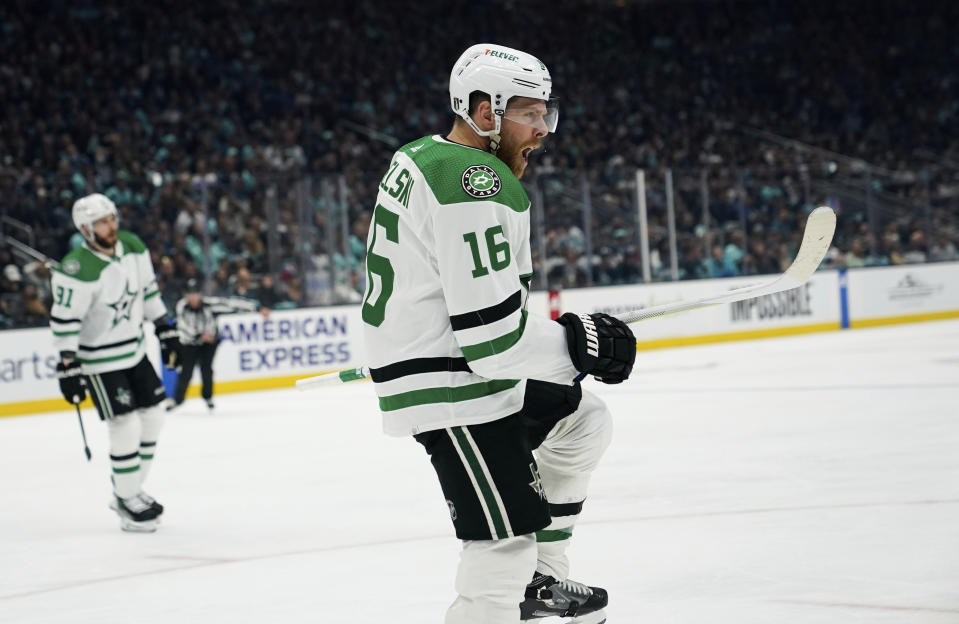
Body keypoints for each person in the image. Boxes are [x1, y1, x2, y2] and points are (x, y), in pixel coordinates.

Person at [360, 44, 636, 624]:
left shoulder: (421, 155)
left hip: (446, 364)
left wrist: (566, 343)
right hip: (454, 385)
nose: (543, 130)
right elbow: (491, 341)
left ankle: (544, 581)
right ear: (486, 112)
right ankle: (518, 580)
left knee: (581, 421)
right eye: (530, 115)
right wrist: (577, 346)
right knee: (502, 544)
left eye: (545, 114)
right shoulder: (475, 181)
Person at [49, 193, 181, 533]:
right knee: (125, 426)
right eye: (102, 222)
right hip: (99, 361)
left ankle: (129, 491)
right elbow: (65, 323)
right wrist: (68, 366)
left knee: (153, 417)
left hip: (135, 352)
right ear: (85, 229)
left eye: (112, 219)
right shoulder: (76, 268)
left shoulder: (134, 246)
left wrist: (164, 328)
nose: (111, 226)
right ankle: (127, 496)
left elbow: (148, 292)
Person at [168, 277, 265, 411]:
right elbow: (182, 326)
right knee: (186, 372)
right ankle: (178, 400)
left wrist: (257, 308)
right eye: (190, 294)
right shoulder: (181, 306)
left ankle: (208, 397)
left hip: (208, 343)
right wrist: (200, 334)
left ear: (200, 294)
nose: (193, 298)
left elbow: (231, 304)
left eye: (195, 294)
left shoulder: (210, 304)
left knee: (207, 369)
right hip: (189, 343)